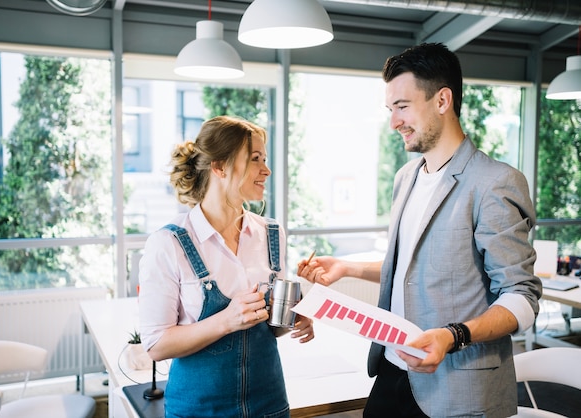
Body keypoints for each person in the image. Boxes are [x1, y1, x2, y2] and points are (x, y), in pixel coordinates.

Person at [297, 43, 542, 418]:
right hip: (392, 370)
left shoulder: (495, 182)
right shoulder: (406, 177)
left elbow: (521, 297)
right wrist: (347, 268)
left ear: (442, 100)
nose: (394, 121)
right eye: (390, 109)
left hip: (459, 387)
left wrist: (452, 335)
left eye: (403, 106)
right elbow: (416, 269)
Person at [139, 115, 314, 418]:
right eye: (255, 159)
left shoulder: (272, 234)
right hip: (198, 410)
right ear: (219, 167)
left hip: (269, 405)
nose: (267, 170)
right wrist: (226, 320)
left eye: (265, 159)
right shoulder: (168, 244)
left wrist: (294, 317)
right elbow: (156, 344)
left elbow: (271, 330)